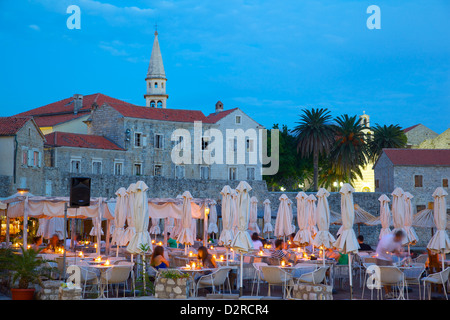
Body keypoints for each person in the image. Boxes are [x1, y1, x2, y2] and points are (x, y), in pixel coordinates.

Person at [375, 230, 406, 298]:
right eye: (400, 238)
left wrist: (405, 255)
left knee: (390, 275)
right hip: (381, 258)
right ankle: (387, 293)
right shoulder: (387, 239)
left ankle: (390, 292)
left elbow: (397, 252)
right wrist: (392, 253)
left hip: (388, 258)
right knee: (385, 276)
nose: (401, 240)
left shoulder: (398, 241)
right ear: (397, 236)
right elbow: (384, 249)